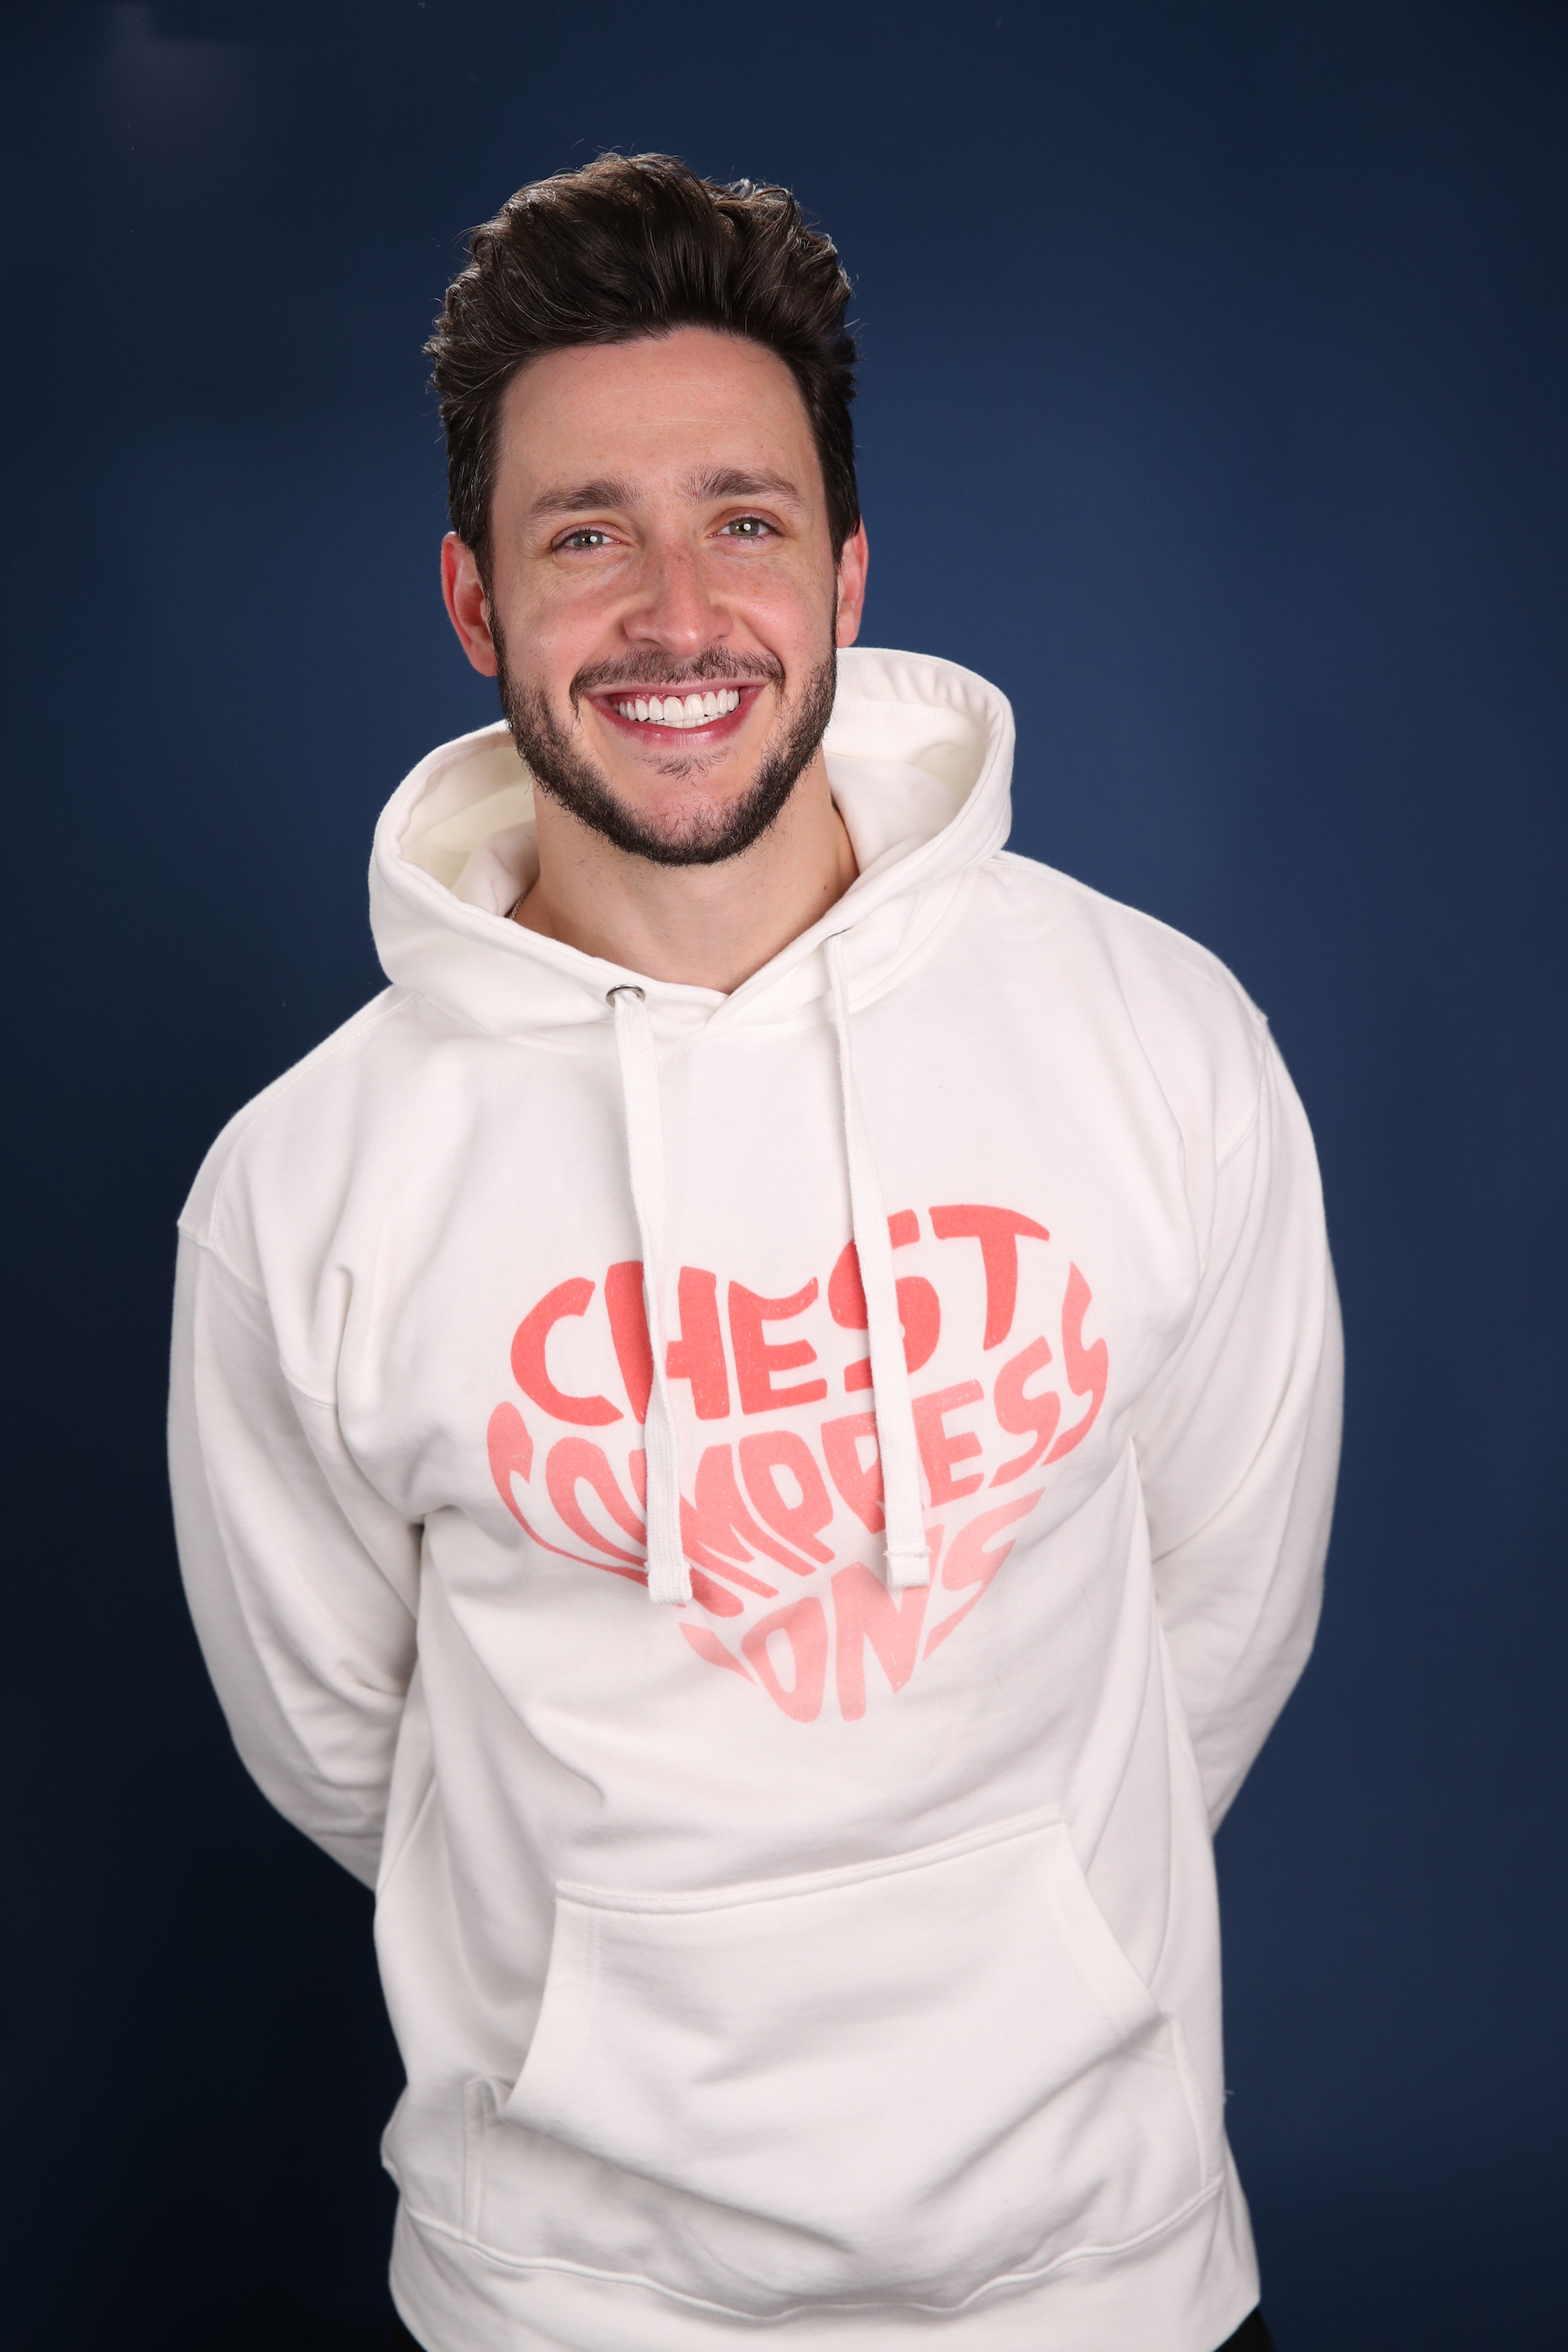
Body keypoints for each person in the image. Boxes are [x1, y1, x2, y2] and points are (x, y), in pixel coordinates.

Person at [168, 153, 1341, 2352]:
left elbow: (1222, 1617)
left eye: (745, 519)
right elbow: (348, 1748)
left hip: (1107, 2285)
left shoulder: (1157, 1039)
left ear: (849, 572)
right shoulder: (304, 1187)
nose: (677, 613)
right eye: (583, 535)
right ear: (474, 604)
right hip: (562, 2308)